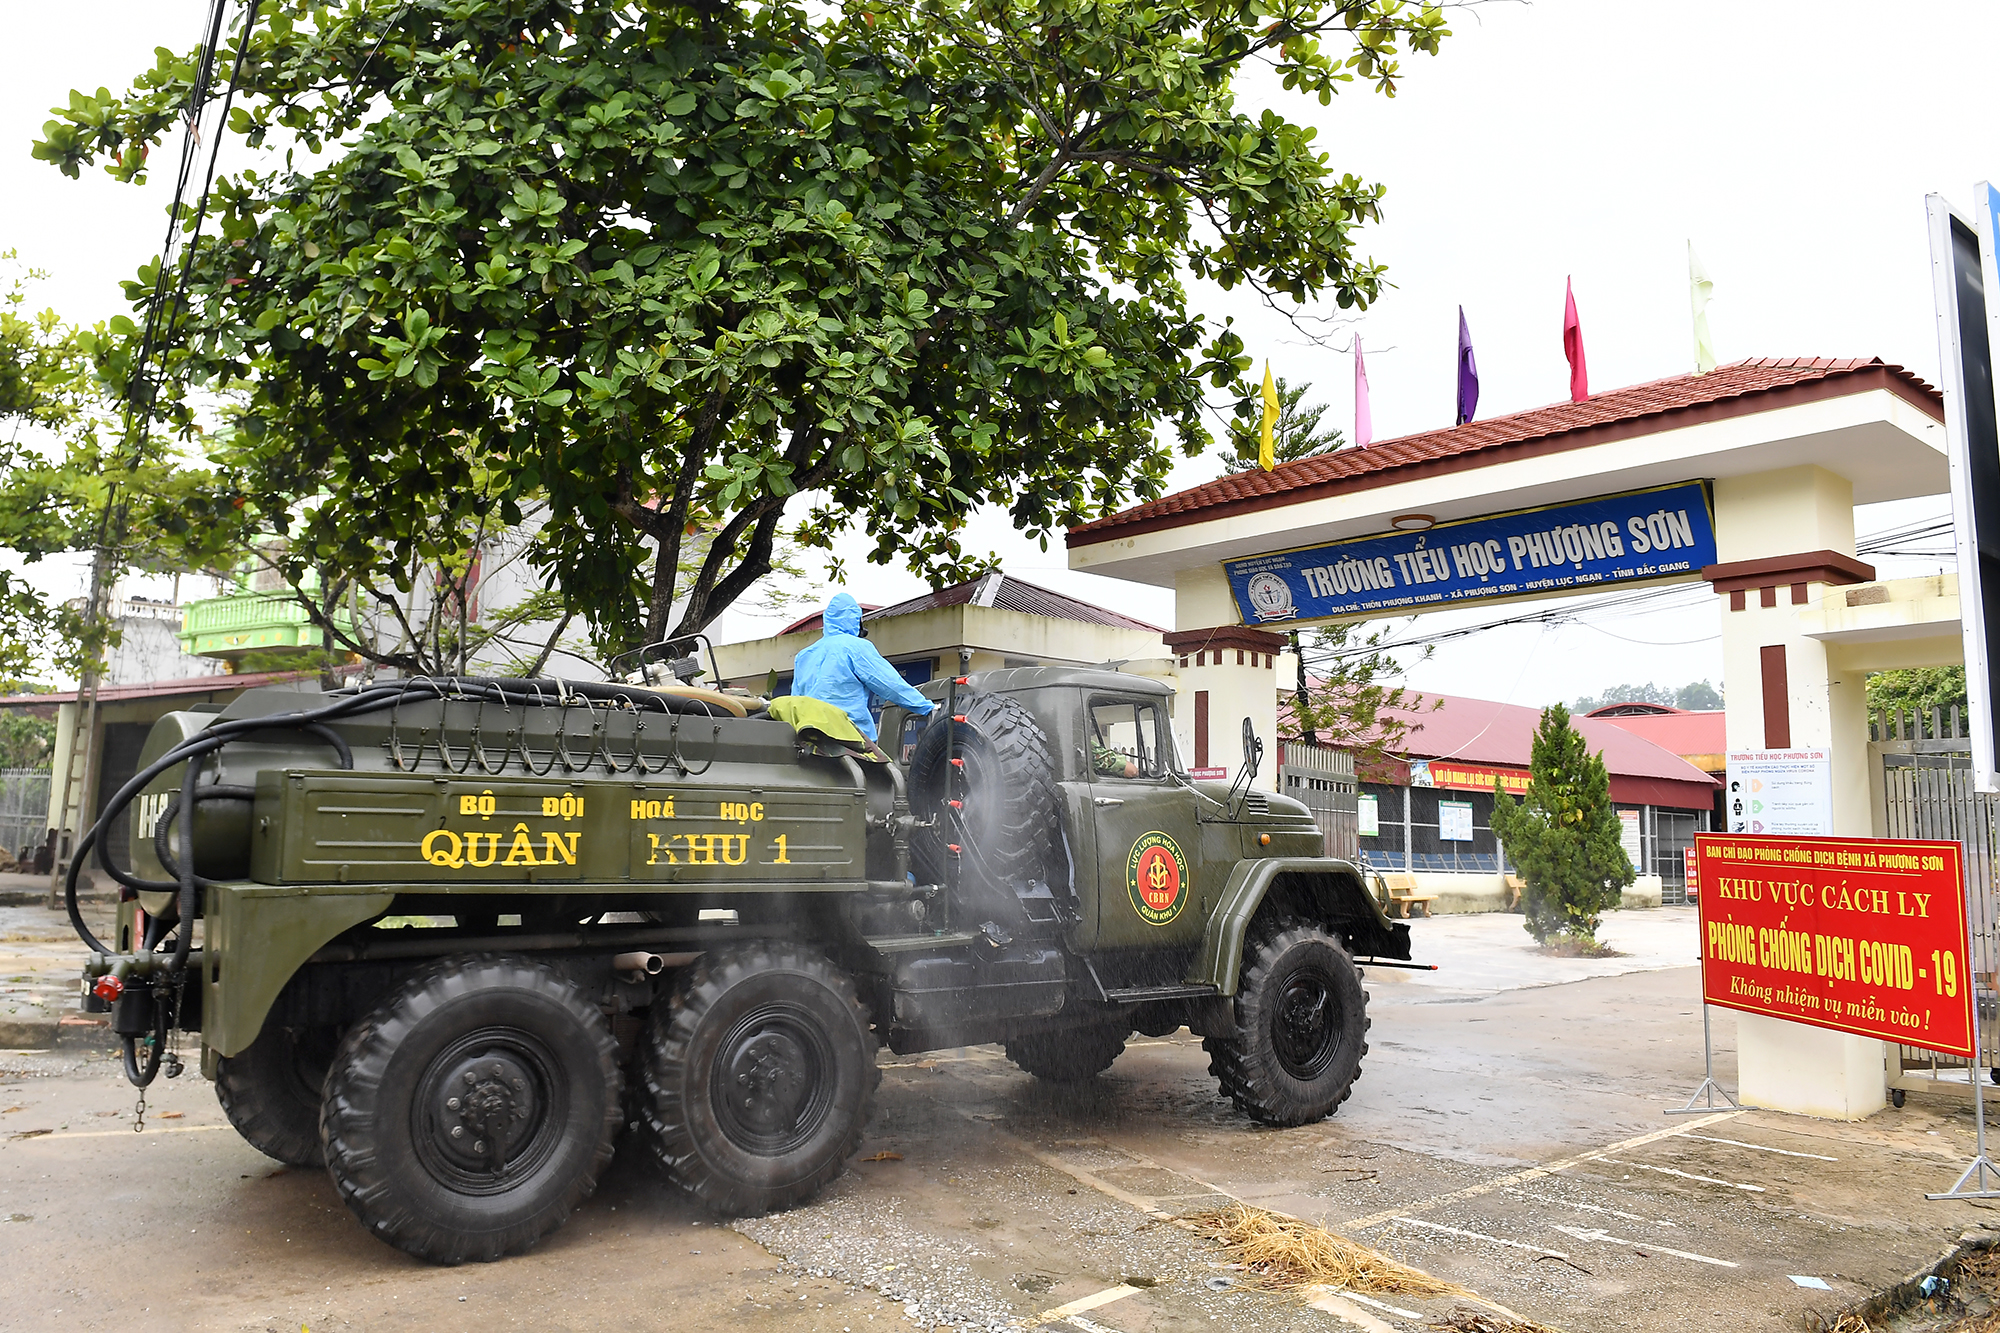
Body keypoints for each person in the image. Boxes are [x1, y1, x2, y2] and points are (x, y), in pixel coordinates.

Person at [791, 593, 935, 741]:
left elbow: (795, 701)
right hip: (849, 735)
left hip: (809, 735)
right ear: (856, 620)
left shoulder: (804, 655)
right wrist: (926, 707)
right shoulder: (856, 647)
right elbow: (890, 685)